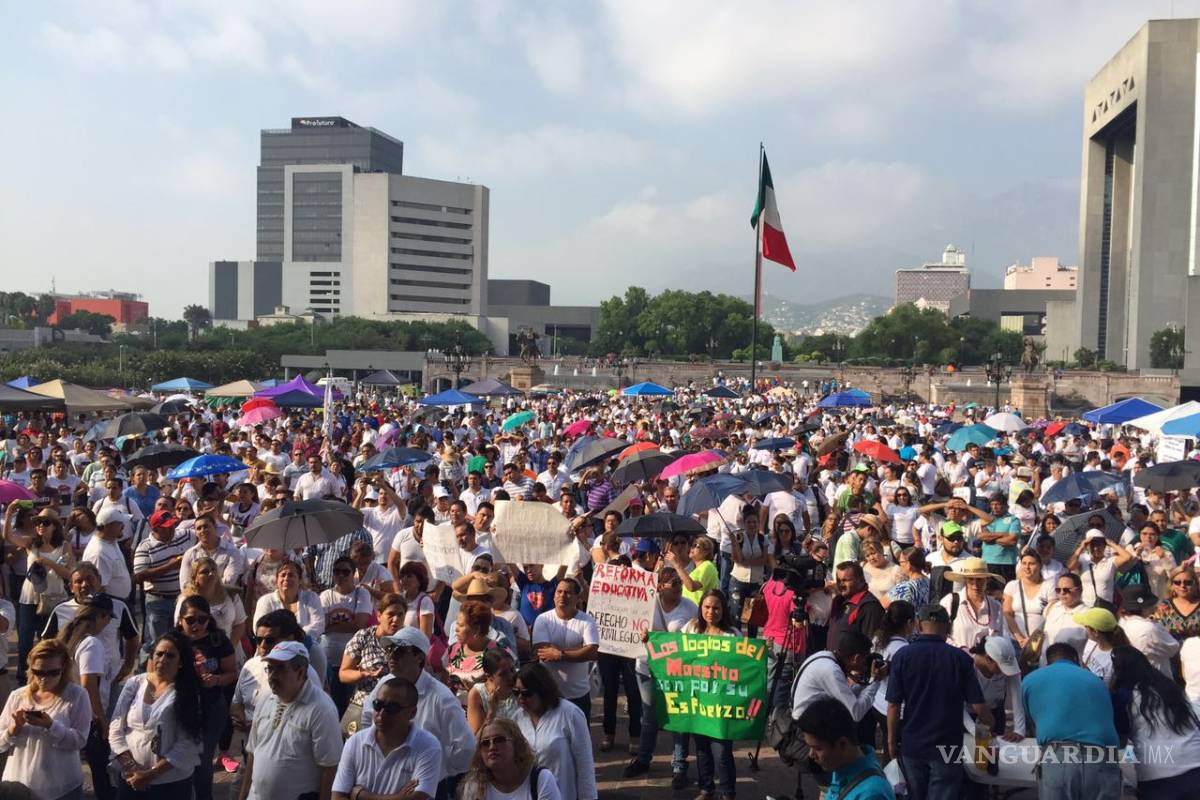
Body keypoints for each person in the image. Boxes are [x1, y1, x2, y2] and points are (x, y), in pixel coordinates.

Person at [885, 604, 991, 800]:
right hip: (948, 747)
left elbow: (893, 705)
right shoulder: (960, 659)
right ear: (948, 626)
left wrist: (892, 742)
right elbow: (978, 706)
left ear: (918, 625)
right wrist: (992, 725)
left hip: (912, 744)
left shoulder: (903, 656)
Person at [357, 628, 475, 800]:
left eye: (400, 650)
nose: (392, 655)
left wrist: (441, 770)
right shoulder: (383, 684)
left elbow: (466, 747)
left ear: (419, 657)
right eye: (389, 649)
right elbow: (367, 718)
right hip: (385, 783)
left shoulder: (441, 698)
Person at [239, 640, 344, 800]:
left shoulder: (321, 709)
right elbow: (253, 753)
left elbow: (330, 768)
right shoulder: (266, 698)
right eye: (270, 669)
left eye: (280, 668)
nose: (272, 676)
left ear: (300, 672)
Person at [108, 630, 204, 800]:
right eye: (159, 654)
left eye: (170, 655)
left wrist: (150, 775)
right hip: (131, 779)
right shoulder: (134, 683)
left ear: (181, 662)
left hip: (170, 785)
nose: (163, 659)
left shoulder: (186, 693)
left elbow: (187, 743)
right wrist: (132, 768)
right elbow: (116, 726)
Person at [1021, 643, 1121, 800]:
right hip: (1103, 759)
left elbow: (1033, 722)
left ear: (1048, 662)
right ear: (1077, 660)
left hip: (1059, 758)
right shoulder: (1097, 681)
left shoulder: (1030, 680)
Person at [0, 639, 91, 800]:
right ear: (30, 669)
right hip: (20, 786)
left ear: (63, 669)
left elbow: (80, 740)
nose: (44, 679)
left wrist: (51, 725)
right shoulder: (18, 696)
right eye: (38, 672)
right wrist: (12, 730)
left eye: (52, 672)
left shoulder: (77, 696)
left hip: (62, 787)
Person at [1110, 645, 1200, 797]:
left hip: (1158, 777)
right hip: (1195, 763)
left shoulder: (1125, 696)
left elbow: (1121, 740)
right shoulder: (1170, 686)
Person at [331, 676, 442, 800]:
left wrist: (361, 795)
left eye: (392, 708)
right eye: (378, 705)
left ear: (412, 713)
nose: (382, 714)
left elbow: (416, 797)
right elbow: (337, 797)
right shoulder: (355, 743)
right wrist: (397, 797)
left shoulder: (428, 746)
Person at [41, 563, 139, 697]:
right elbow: (46, 643)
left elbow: (132, 637)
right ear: (71, 587)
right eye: (78, 581)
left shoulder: (118, 606)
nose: (84, 584)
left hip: (110, 679)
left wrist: (128, 666)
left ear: (99, 580)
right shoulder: (60, 610)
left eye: (89, 579)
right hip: (72, 680)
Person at [681, 590, 741, 800]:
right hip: (697, 700)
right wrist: (648, 639)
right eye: (706, 607)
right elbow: (673, 651)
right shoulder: (691, 628)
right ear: (700, 608)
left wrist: (764, 650)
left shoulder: (732, 634)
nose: (710, 612)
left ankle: (727, 792)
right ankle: (706, 788)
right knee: (701, 749)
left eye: (716, 607)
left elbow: (743, 665)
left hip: (721, 703)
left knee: (722, 752)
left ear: (723, 610)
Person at [177, 595, 237, 800]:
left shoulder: (218, 640)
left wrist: (217, 680)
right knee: (179, 758)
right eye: (190, 620)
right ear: (180, 620)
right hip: (181, 706)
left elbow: (231, 674)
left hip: (211, 707)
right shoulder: (172, 641)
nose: (196, 625)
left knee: (202, 760)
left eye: (202, 619)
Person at [58, 595, 116, 800]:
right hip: (88, 717)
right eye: (108, 617)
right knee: (103, 774)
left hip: (68, 712)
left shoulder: (70, 637)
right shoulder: (91, 643)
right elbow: (88, 685)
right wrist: (101, 719)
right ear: (101, 616)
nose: (108, 622)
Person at [513, 663, 596, 800]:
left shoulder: (570, 714)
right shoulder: (516, 718)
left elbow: (585, 765)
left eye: (526, 693)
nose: (520, 699)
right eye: (516, 693)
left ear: (542, 690)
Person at [796, 698, 894, 800]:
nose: (811, 755)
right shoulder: (841, 766)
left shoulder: (872, 795)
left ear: (842, 744)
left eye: (818, 748)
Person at [531, 578, 599, 717]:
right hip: (549, 694)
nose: (562, 595)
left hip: (579, 695)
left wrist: (560, 654)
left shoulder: (587, 620)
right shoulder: (543, 619)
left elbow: (592, 652)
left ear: (577, 598)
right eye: (559, 591)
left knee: (579, 737)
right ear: (554, 595)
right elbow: (543, 652)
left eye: (567, 592)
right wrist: (580, 648)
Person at [339, 593, 407, 734]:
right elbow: (343, 674)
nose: (396, 620)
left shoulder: (407, 643)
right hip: (363, 705)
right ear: (379, 615)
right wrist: (363, 674)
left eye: (400, 615)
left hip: (393, 710)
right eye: (391, 614)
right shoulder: (363, 637)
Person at [132, 510, 192, 658]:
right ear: (156, 529)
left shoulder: (183, 535)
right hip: (158, 601)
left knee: (181, 640)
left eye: (172, 525)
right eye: (167, 527)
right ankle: (145, 672)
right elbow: (139, 576)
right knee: (156, 642)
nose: (172, 529)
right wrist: (169, 567)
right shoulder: (145, 547)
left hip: (181, 599)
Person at [458, 718, 563, 800]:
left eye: (499, 740)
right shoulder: (474, 786)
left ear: (516, 744)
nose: (492, 747)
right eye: (485, 743)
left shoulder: (541, 779)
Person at [319, 556, 372, 716]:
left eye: (345, 572)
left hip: (353, 661)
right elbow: (322, 625)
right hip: (329, 659)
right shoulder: (326, 595)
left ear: (353, 573)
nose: (341, 576)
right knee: (332, 705)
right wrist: (347, 625)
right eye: (337, 572)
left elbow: (360, 624)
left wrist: (333, 625)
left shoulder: (361, 594)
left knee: (352, 707)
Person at [940, 558, 1005, 649]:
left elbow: (999, 640)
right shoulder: (950, 601)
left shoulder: (996, 607)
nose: (975, 584)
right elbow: (940, 635)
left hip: (986, 662)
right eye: (971, 579)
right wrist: (964, 652)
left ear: (987, 580)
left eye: (979, 579)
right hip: (957, 660)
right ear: (965, 580)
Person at [1117, 585, 1180, 676]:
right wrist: (1159, 626)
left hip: (1133, 677)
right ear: (1144, 607)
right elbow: (1173, 648)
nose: (1153, 607)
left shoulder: (1122, 621)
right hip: (1156, 681)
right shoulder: (1149, 628)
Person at [1067, 529, 1134, 610]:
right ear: (1087, 546)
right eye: (1092, 545)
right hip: (1085, 607)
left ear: (1104, 546)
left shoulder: (1111, 561)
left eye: (1099, 545)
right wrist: (1081, 547)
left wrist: (1111, 543)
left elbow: (1128, 557)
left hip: (1106, 607)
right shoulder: (1082, 560)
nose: (1096, 548)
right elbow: (1070, 566)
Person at [1002, 548, 1052, 650]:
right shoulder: (1012, 585)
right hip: (1016, 641)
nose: (1027, 567)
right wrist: (1020, 639)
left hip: (1041, 642)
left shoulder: (1049, 586)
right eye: (1024, 563)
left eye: (1031, 564)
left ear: (1040, 565)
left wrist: (1033, 640)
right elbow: (1007, 613)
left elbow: (1052, 616)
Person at [827, 562, 884, 648]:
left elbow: (871, 646)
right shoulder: (838, 600)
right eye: (838, 580)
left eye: (845, 580)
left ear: (860, 581)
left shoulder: (870, 607)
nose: (841, 585)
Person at [82, 506, 132, 602]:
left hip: (120, 602)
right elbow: (98, 588)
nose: (123, 526)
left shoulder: (111, 541)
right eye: (120, 523)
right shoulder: (98, 553)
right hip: (110, 606)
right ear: (107, 526)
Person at [467, 649, 519, 734]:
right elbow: (476, 738)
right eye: (503, 674)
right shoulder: (477, 694)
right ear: (489, 676)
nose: (510, 677)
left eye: (512, 670)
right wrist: (491, 713)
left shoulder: (520, 686)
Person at [1073, 607, 1128, 686]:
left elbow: (1106, 689)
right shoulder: (1091, 644)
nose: (1084, 629)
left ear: (1095, 632)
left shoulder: (1114, 660)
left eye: (1086, 626)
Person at [1153, 564, 1200, 641]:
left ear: (1195, 584)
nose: (1182, 586)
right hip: (1171, 652)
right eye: (1177, 582)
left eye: (1188, 582)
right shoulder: (1163, 607)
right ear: (1172, 585)